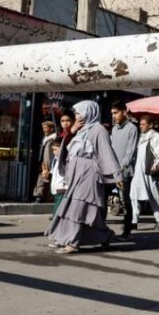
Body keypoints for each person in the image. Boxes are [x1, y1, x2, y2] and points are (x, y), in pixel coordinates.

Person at [44, 100, 122, 254]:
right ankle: (104, 236)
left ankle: (73, 243)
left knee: (77, 209)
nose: (78, 117)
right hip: (76, 175)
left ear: (89, 113)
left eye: (80, 113)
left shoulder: (98, 130)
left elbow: (107, 152)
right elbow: (64, 148)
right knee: (84, 211)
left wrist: (117, 175)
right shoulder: (79, 130)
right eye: (77, 114)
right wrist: (71, 131)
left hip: (89, 174)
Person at [129, 114, 159, 230]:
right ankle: (134, 221)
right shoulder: (140, 137)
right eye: (140, 124)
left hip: (149, 171)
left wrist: (156, 166)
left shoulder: (156, 137)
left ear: (150, 125)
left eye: (143, 124)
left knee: (154, 197)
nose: (141, 126)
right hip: (138, 171)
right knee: (134, 195)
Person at [110, 100, 139, 238]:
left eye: (116, 113)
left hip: (124, 172)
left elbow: (130, 152)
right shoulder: (114, 129)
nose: (113, 116)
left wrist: (120, 167)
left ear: (124, 112)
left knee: (125, 200)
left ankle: (127, 230)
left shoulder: (132, 128)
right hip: (111, 170)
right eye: (112, 113)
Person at [33, 121, 57, 203]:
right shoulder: (45, 139)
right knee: (42, 179)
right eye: (43, 128)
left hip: (49, 163)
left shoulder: (54, 139)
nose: (44, 130)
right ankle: (39, 196)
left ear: (51, 129)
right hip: (43, 162)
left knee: (45, 179)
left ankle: (41, 196)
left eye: (45, 128)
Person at [48, 138, 67, 217]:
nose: (53, 152)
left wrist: (65, 185)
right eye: (53, 150)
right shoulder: (55, 160)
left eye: (55, 149)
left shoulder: (65, 160)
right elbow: (53, 173)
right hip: (56, 189)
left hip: (62, 188)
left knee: (57, 212)